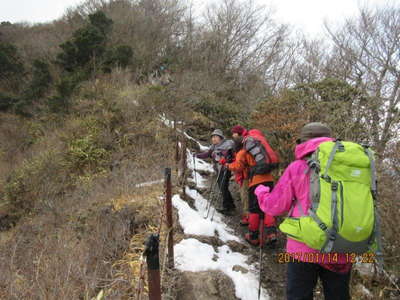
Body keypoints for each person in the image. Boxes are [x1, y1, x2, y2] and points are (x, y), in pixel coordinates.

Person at [255, 123, 352, 300]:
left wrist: (261, 192)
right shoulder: (351, 167)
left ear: (303, 142)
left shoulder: (298, 167)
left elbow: (275, 207)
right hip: (342, 244)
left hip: (304, 247)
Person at [222, 125, 277, 246]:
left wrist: (227, 165)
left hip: (255, 181)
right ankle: (271, 233)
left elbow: (238, 166)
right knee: (268, 206)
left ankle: (253, 236)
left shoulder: (244, 150)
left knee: (254, 209)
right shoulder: (262, 147)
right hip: (269, 179)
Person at [197, 129, 236, 215]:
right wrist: (197, 156)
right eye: (212, 137)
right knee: (222, 187)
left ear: (221, 138)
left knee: (223, 187)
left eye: (216, 137)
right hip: (219, 169)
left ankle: (227, 207)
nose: (213, 139)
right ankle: (231, 205)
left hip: (226, 169)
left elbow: (233, 156)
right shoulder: (213, 146)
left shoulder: (227, 145)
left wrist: (228, 160)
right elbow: (207, 154)